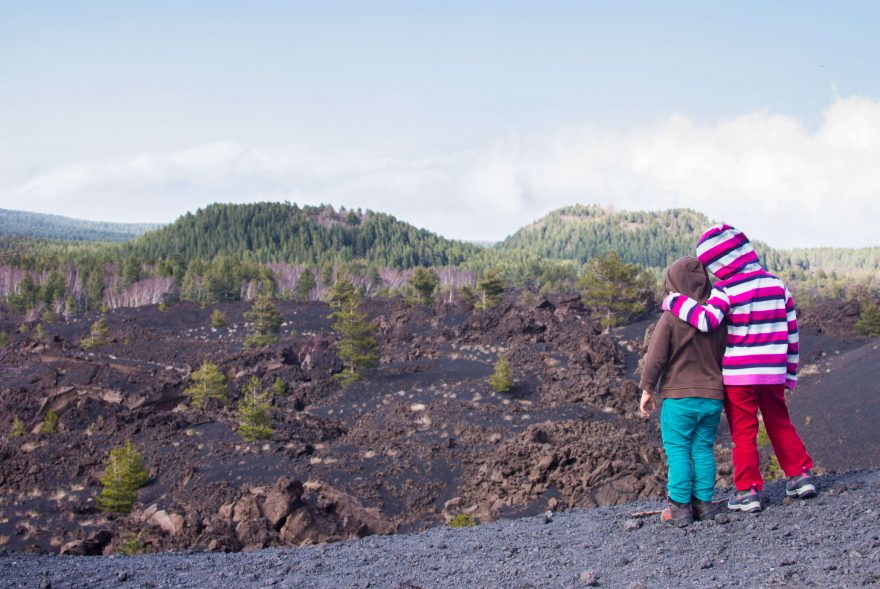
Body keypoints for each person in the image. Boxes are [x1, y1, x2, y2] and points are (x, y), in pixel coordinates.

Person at [662, 224, 816, 513]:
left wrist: (675, 302)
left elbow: (706, 320)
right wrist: (790, 374)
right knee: (779, 423)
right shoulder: (777, 285)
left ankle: (748, 492)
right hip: (772, 373)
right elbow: (793, 334)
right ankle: (800, 476)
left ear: (718, 263)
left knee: (743, 433)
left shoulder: (726, 289)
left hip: (738, 377)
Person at [639, 256, 727, 526]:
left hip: (679, 399)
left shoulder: (670, 318)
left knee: (678, 451)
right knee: (702, 449)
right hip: (712, 397)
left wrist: (647, 389)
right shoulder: (718, 318)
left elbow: (655, 357)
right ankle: (704, 504)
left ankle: (679, 509)